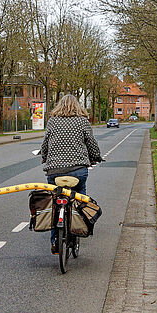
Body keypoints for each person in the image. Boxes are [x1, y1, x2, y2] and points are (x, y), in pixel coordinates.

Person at [40, 94, 102, 253]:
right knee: (80, 196)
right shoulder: (82, 121)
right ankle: (80, 227)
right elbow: (91, 143)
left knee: (54, 202)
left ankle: (54, 240)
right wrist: (95, 157)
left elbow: (45, 144)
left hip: (54, 172)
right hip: (78, 171)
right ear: (78, 106)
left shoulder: (52, 121)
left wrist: (45, 158)